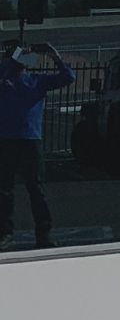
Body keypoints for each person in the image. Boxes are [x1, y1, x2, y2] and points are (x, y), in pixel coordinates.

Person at [0, 42, 75, 250]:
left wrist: (54, 56)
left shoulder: (37, 81)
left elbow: (68, 77)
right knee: (4, 189)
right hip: (6, 139)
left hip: (30, 140)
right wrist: (12, 59)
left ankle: (44, 233)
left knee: (36, 189)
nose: (26, 61)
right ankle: (5, 232)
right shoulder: (4, 79)